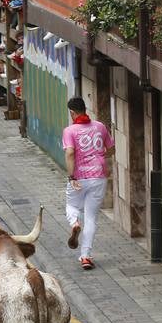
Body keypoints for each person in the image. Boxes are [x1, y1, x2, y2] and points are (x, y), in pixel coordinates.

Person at [64, 96, 114, 270]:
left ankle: (75, 223)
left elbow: (70, 153)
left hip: (79, 177)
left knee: (71, 206)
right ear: (85, 109)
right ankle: (85, 256)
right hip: (99, 177)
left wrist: (71, 176)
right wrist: (99, 157)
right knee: (91, 217)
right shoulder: (100, 127)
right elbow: (111, 149)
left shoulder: (70, 131)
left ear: (72, 112)